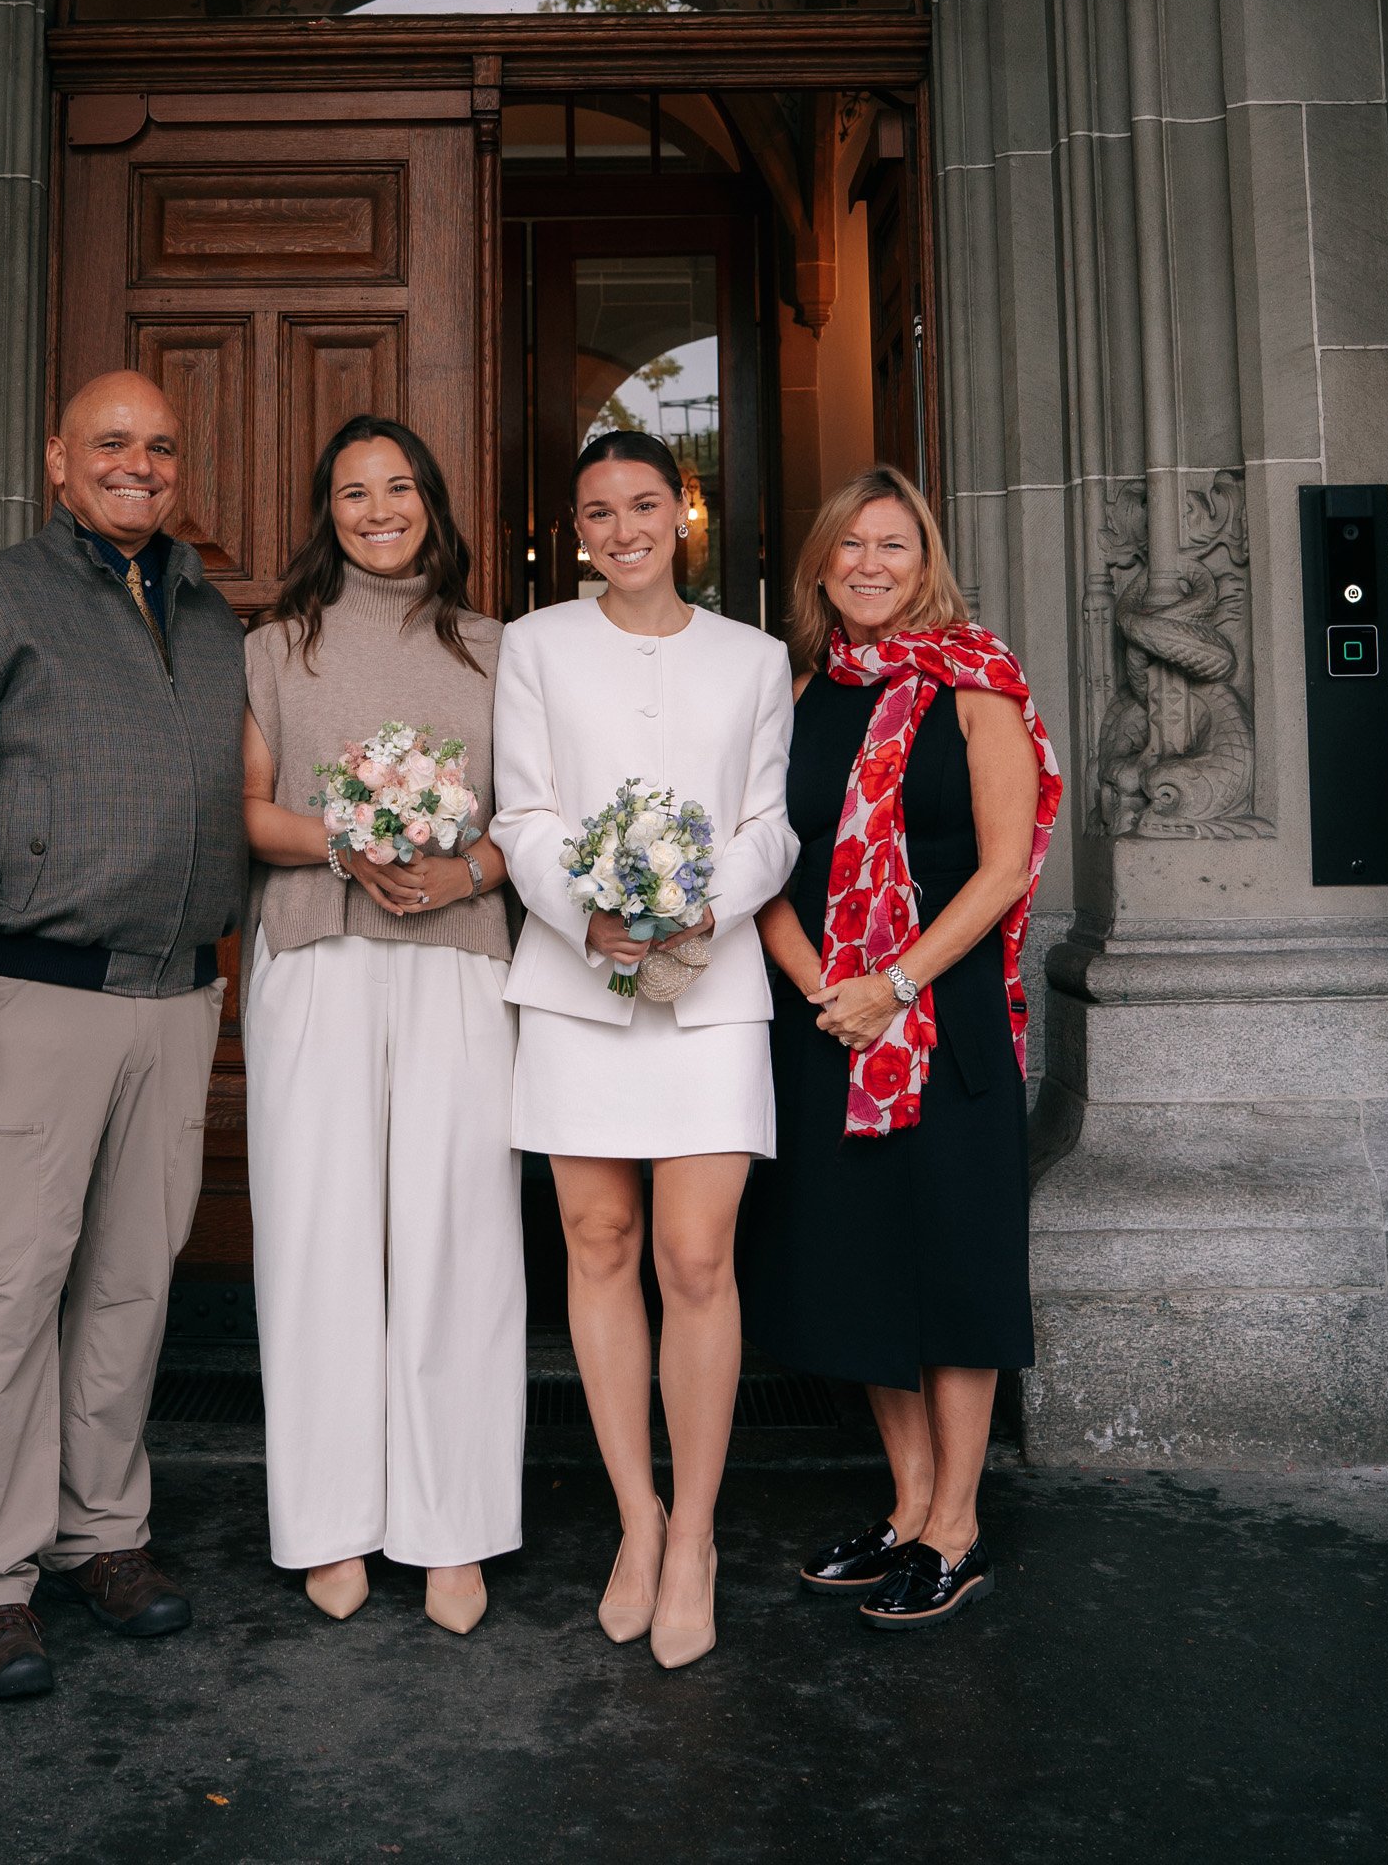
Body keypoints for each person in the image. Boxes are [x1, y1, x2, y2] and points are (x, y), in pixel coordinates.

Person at [0, 370, 248, 1702]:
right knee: (3, 1290)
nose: (140, 464)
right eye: (112, 443)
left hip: (176, 998)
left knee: (132, 1285)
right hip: (25, 996)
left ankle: (101, 1534)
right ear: (58, 461)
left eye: (161, 445)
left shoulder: (207, 614)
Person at [491, 431, 794, 1670]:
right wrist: (588, 911)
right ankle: (636, 1520)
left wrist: (707, 901)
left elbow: (770, 821)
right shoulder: (534, 646)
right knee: (598, 1240)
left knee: (694, 1256)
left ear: (684, 513)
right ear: (575, 531)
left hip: (712, 990)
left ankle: (696, 1538)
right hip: (578, 983)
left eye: (643, 505)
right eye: (597, 512)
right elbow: (522, 810)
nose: (622, 529)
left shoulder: (754, 658)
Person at [743, 465, 1059, 1630]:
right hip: (829, 1021)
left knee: (951, 1271)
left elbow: (1003, 867)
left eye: (894, 545)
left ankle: (955, 1527)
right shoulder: (795, 696)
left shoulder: (974, 684)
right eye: (850, 544)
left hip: (941, 1021)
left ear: (924, 563)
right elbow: (761, 863)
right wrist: (822, 990)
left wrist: (893, 984)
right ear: (820, 563)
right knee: (863, 1268)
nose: (869, 564)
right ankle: (908, 1506)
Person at [240, 416, 522, 1634]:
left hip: (457, 961)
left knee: (458, 1237)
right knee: (319, 1237)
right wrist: (343, 845)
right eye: (351, 492)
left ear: (430, 502)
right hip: (317, 952)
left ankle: (451, 1528)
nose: (376, 510)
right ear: (327, 512)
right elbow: (251, 812)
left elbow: (532, 821)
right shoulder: (274, 647)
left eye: (396, 487)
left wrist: (466, 871)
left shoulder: (498, 650)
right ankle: (331, 1522)